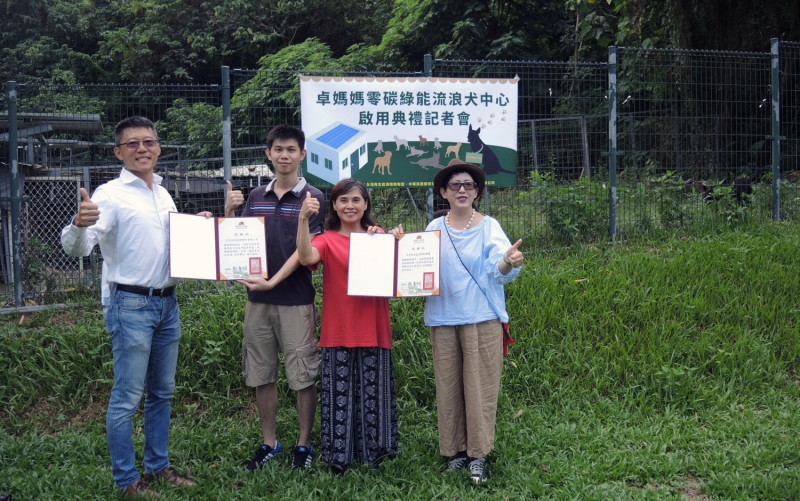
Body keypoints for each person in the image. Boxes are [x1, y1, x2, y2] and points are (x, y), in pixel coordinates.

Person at [61, 116, 198, 498]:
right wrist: (78, 224)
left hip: (167, 305)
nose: (142, 148)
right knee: (126, 398)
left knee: (162, 392)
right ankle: (126, 481)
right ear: (119, 152)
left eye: (149, 142)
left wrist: (198, 229)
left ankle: (157, 467)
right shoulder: (108, 195)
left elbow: (168, 243)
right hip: (130, 305)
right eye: (133, 143)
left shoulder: (163, 193)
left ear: (158, 148)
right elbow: (79, 247)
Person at [224, 124, 325, 471]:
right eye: (278, 149)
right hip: (259, 303)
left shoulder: (314, 198)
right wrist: (229, 211)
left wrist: (272, 281)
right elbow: (239, 241)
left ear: (302, 155)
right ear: (268, 154)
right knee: (261, 372)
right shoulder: (255, 196)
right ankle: (269, 443)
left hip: (296, 299)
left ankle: (303, 444)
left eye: (291, 149)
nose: (284, 155)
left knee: (302, 374)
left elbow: (306, 252)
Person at [418, 160, 523, 483]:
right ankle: (456, 451)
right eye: (455, 186)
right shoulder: (434, 228)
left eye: (468, 185)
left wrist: (508, 262)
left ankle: (478, 454)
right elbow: (417, 267)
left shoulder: (489, 226)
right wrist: (398, 247)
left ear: (477, 192)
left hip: (481, 318)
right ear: (443, 192)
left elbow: (499, 268)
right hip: (443, 317)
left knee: (479, 389)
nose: (462, 190)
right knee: (449, 388)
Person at [296, 178, 399, 474]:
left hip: (374, 326)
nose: (350, 206)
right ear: (335, 206)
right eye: (343, 200)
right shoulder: (326, 239)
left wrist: (398, 241)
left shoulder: (377, 236)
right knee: (337, 395)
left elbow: (399, 270)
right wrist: (303, 220)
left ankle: (376, 453)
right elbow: (305, 257)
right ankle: (338, 457)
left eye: (356, 200)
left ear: (366, 204)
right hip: (338, 328)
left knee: (374, 393)